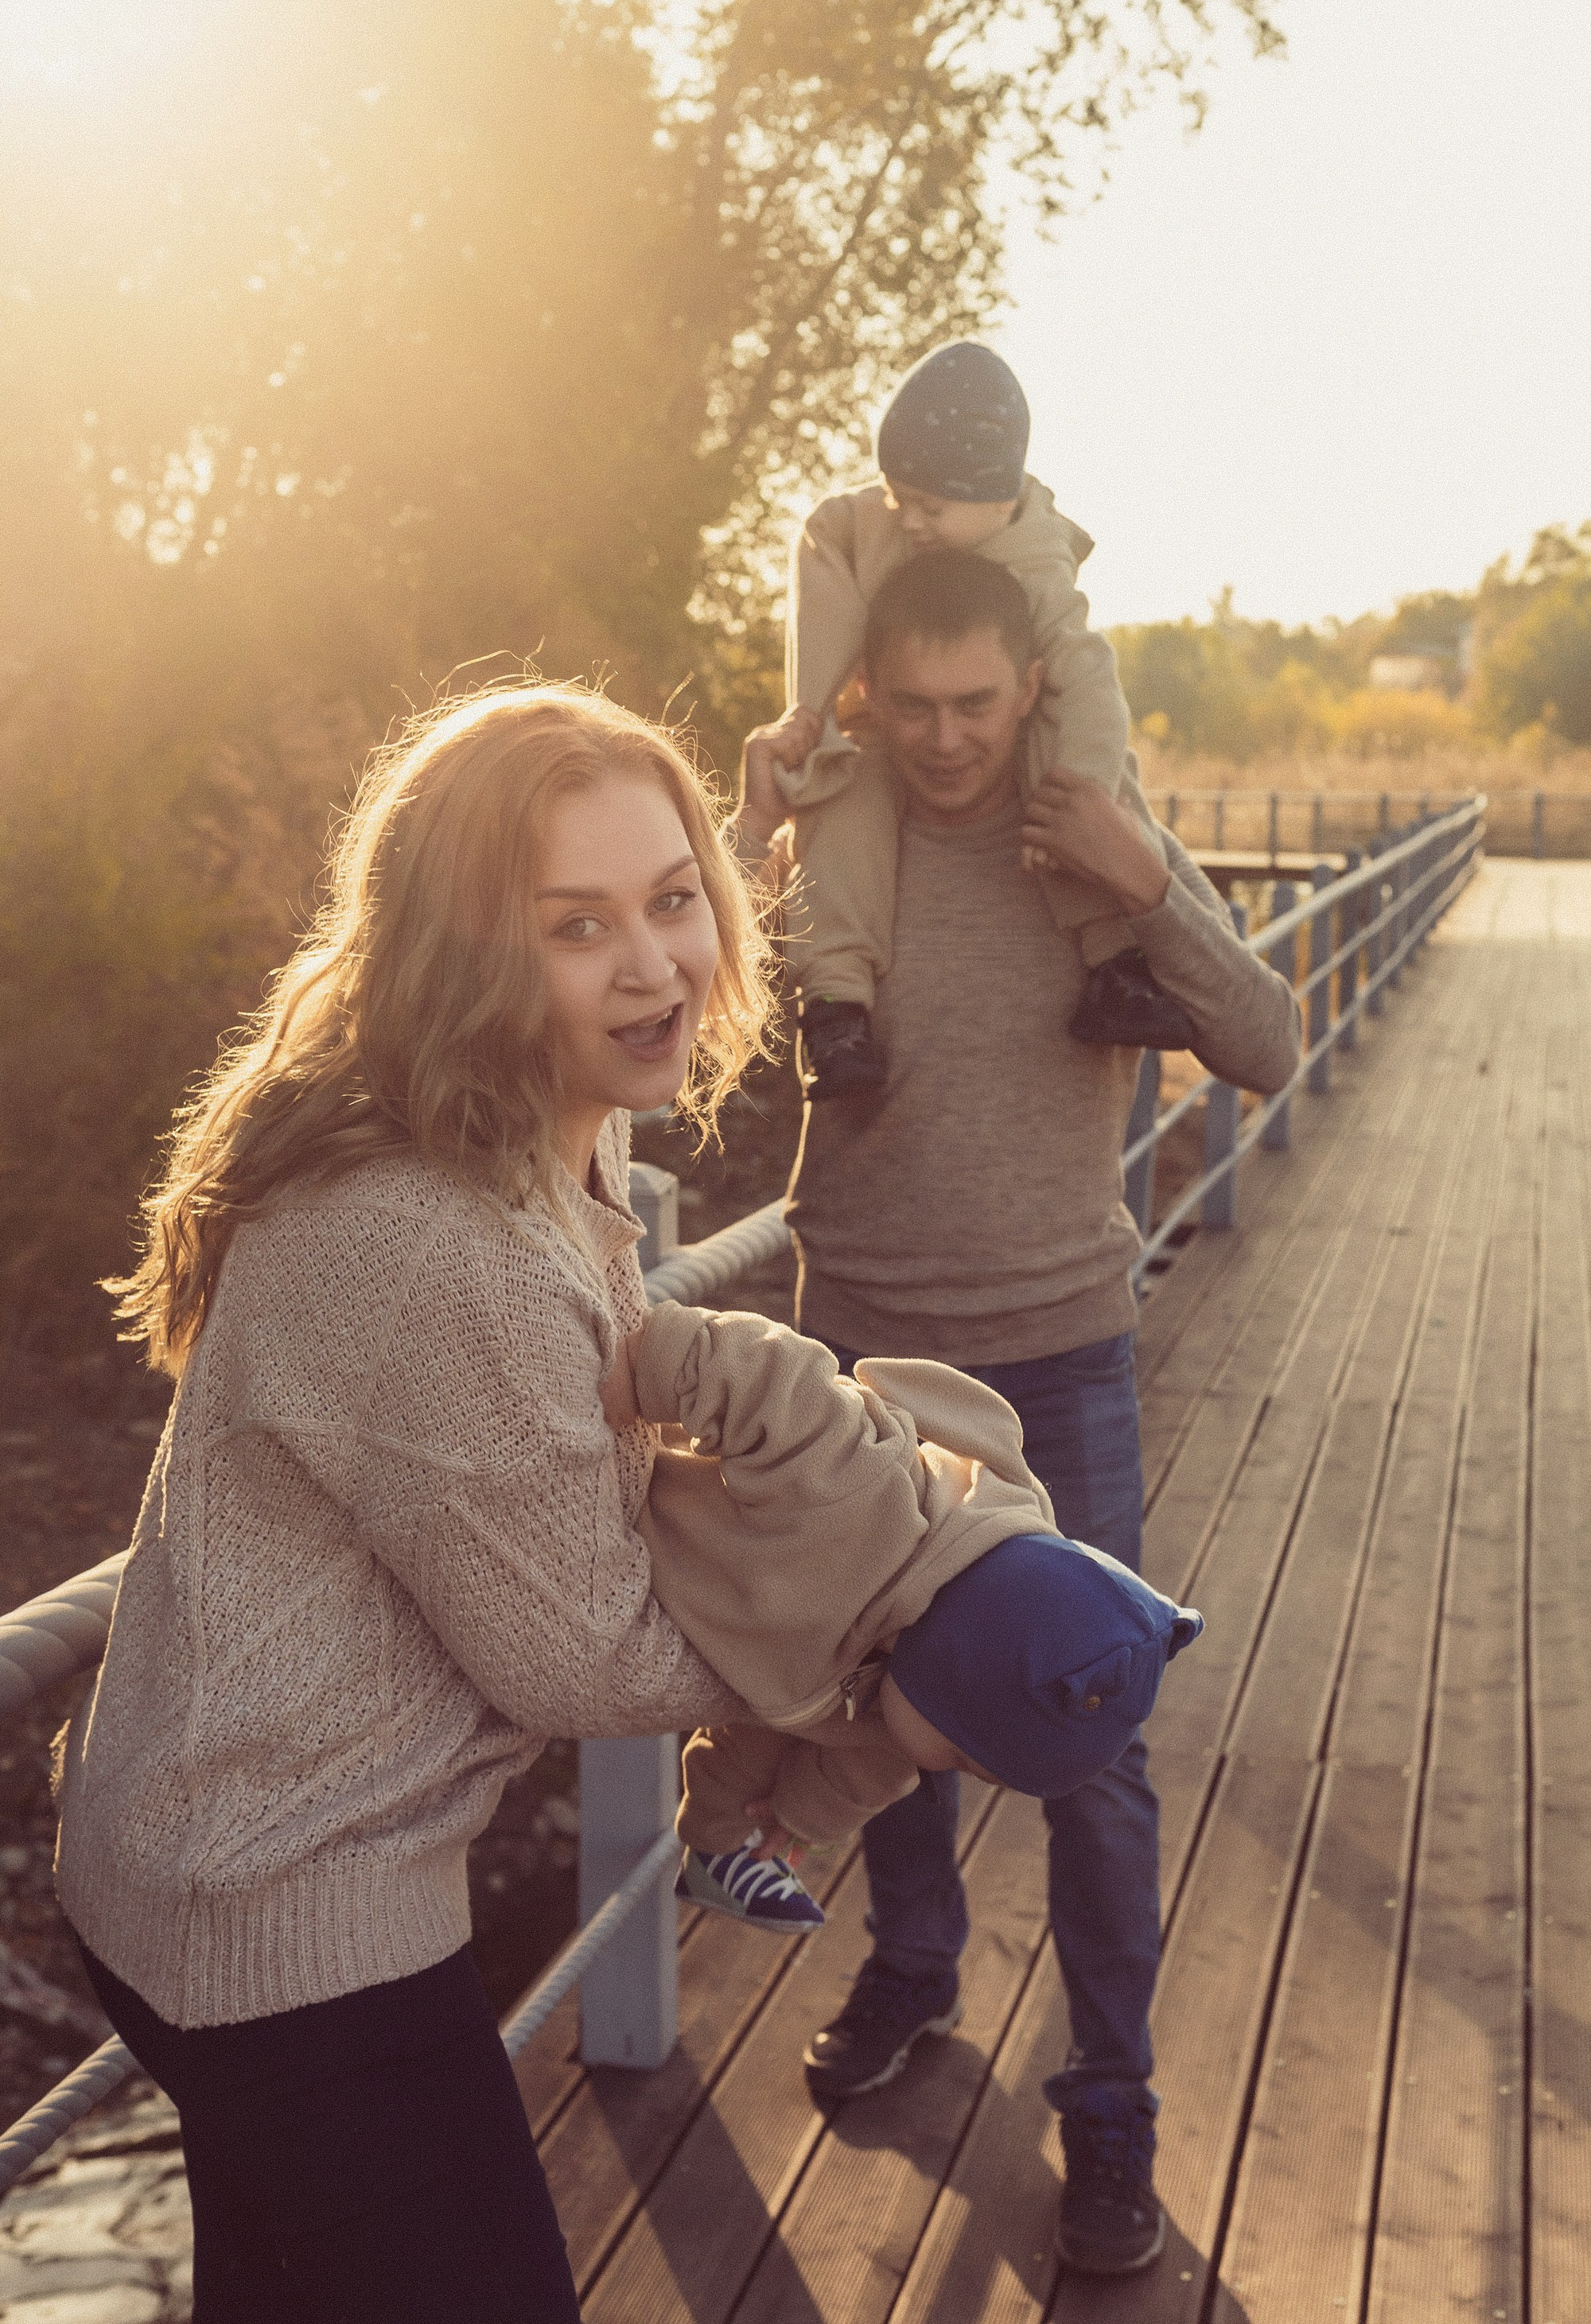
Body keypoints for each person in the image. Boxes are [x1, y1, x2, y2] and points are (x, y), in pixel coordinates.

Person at [54, 684, 782, 2322]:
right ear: (468, 955)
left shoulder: (513, 1142)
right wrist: (890, 1631)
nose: (654, 964)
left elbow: (535, 1480)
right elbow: (584, 1661)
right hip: (281, 1910)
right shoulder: (430, 1229)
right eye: (575, 926)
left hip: (199, 1846)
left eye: (673, 898)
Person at [730, 551, 1301, 2276]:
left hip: (1059, 1364)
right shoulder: (838, 830)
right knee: (870, 1710)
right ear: (865, 693)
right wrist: (731, 832)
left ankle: (1109, 2113)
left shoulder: (1089, 829)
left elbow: (1267, 1043)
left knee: (1095, 1755)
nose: (943, 737)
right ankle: (912, 1969)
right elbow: (697, 1035)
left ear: (1026, 690)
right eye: (908, 706)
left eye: (975, 704)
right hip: (868, 1362)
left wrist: (1158, 887)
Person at [601, 1299, 1201, 1933]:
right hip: (657, 1518)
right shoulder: (853, 1487)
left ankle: (714, 1854)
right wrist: (644, 1368)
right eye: (968, 1759)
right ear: (959, 1667)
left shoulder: (915, 1697)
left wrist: (799, 1820)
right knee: (836, 1725)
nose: (951, 1772)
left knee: (812, 1743)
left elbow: (864, 1772)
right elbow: (766, 1373)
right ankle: (721, 1847)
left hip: (782, 1653)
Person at [776, 339, 1194, 1098]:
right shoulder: (881, 519)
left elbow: (1088, 679)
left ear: (999, 500)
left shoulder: (1036, 562)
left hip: (1038, 750)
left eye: (930, 507)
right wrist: (810, 710)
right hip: (874, 734)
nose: (909, 522)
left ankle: (1114, 961)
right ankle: (836, 1008)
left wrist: (1087, 793)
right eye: (898, 497)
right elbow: (826, 533)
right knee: (839, 804)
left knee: (1067, 771)